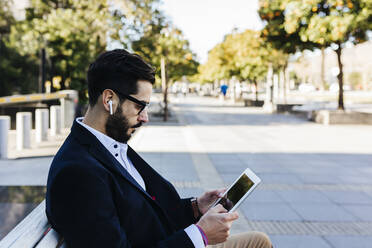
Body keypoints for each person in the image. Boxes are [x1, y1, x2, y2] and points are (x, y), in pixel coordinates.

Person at [46, 49, 272, 248]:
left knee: (258, 241)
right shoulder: (77, 172)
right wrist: (199, 235)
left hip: (171, 238)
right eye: (139, 106)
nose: (144, 117)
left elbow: (147, 213)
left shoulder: (108, 143)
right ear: (109, 100)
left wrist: (195, 208)